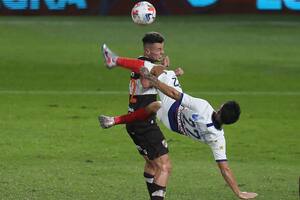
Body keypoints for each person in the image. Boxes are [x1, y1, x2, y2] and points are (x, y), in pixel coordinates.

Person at [99, 45, 258, 200]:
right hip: (173, 125)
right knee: (153, 108)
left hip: (172, 108)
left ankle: (115, 60)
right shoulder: (218, 138)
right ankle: (115, 119)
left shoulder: (204, 107)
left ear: (221, 108)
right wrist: (238, 192)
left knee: (155, 69)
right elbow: (225, 169)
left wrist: (153, 79)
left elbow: (175, 94)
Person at [101, 32, 183, 200]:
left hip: (135, 122)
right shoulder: (147, 64)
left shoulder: (141, 62)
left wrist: (169, 71)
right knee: (165, 166)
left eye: (162, 49)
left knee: (152, 164)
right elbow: (147, 82)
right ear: (147, 51)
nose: (161, 52)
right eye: (158, 49)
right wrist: (164, 68)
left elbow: (149, 77)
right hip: (144, 123)